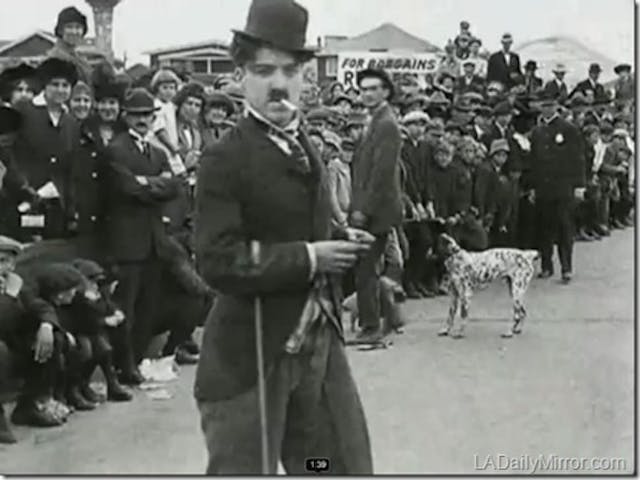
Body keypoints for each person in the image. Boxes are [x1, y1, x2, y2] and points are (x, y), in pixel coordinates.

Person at [194, 0, 374, 474]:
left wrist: (338, 235)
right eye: (263, 70)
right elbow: (216, 260)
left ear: (305, 78)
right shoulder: (223, 159)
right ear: (241, 75)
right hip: (251, 357)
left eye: (290, 71)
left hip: (318, 346)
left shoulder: (305, 142)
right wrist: (312, 257)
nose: (278, 83)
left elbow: (292, 217)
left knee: (329, 467)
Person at [100, 88, 180, 385]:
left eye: (147, 115)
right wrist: (155, 184)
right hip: (126, 242)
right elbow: (127, 188)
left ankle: (136, 360)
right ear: (126, 116)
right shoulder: (116, 149)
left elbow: (175, 187)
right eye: (136, 115)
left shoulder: (158, 152)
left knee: (147, 308)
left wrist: (149, 183)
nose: (143, 120)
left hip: (153, 241)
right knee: (126, 309)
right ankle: (123, 366)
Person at [350, 67, 404, 344]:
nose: (367, 94)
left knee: (366, 268)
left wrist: (363, 210)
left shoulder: (386, 124)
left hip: (377, 210)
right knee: (368, 266)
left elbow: (381, 174)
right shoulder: (374, 120)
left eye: (373, 89)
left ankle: (371, 327)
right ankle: (390, 317)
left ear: (385, 91)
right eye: (363, 89)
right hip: (373, 206)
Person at [13, 58, 79, 241]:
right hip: (25, 200)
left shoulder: (71, 122)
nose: (60, 90)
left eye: (65, 85)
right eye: (54, 84)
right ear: (44, 86)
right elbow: (8, 154)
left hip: (58, 205)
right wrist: (23, 186)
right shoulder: (24, 113)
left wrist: (71, 208)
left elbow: (71, 168)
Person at [529, 92, 585, 283]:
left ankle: (566, 268)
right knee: (545, 227)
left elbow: (578, 158)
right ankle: (546, 266)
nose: (547, 109)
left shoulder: (568, 129)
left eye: (550, 105)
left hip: (563, 187)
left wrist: (579, 185)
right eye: (543, 105)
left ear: (556, 106)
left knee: (564, 227)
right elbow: (534, 162)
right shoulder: (537, 132)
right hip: (544, 188)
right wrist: (533, 188)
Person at [47, 6, 93, 84]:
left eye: (78, 27)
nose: (74, 32)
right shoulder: (56, 58)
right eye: (69, 27)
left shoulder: (80, 58)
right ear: (60, 30)